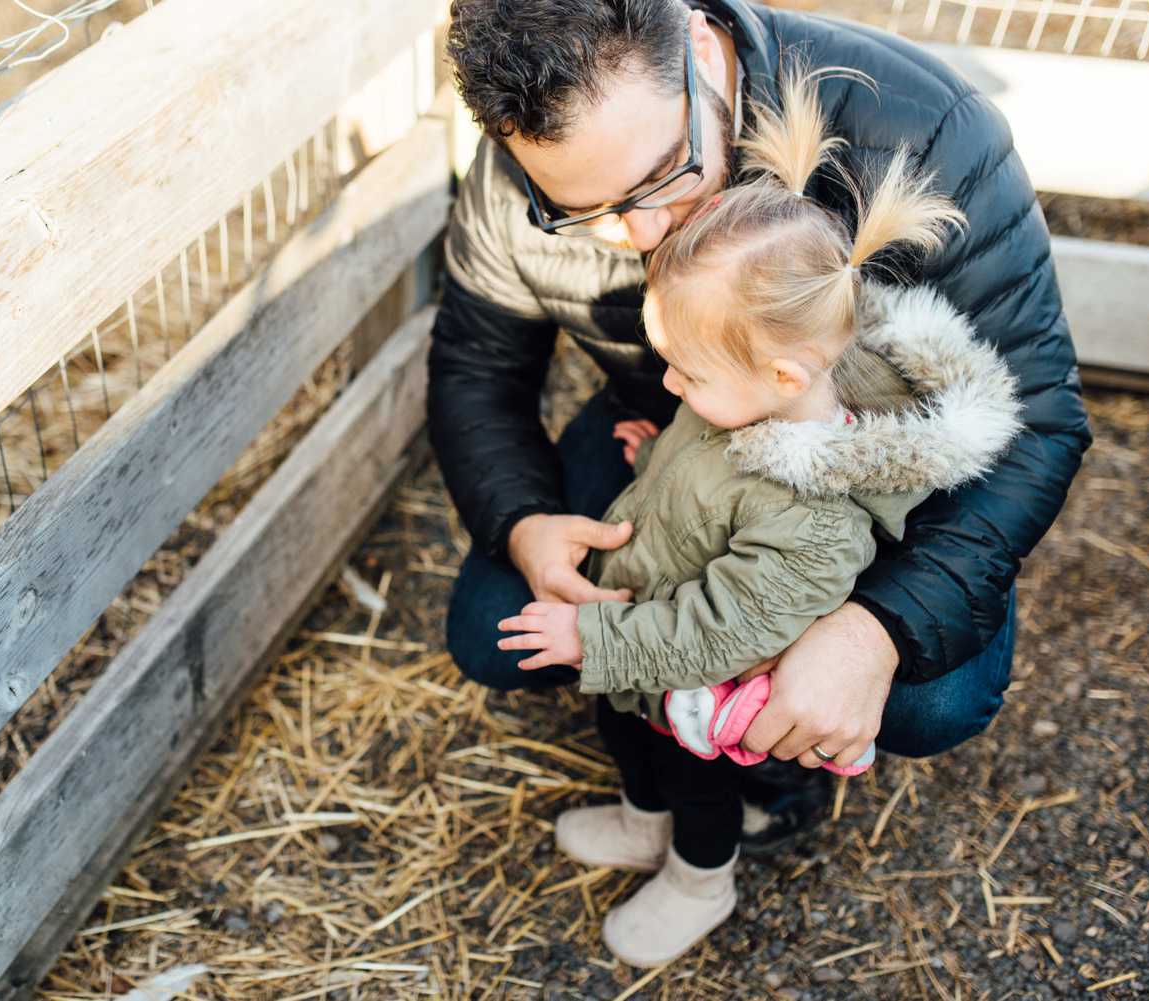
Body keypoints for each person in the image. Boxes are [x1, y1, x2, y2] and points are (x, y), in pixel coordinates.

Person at [429, 0, 1090, 850]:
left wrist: (877, 629)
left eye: (666, 174)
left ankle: (767, 764)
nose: (642, 233)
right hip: (665, 433)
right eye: (582, 208)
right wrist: (520, 522)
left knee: (931, 696)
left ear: (699, 46)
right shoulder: (521, 157)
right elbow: (476, 368)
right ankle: (681, 731)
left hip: (857, 472)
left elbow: (1040, 423)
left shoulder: (925, 132)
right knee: (496, 626)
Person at [493, 68, 1023, 965]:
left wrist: (599, 640)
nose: (671, 387)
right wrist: (653, 458)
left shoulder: (815, 518)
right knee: (622, 729)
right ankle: (641, 818)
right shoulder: (741, 400)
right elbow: (705, 451)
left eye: (685, 373)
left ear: (782, 378)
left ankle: (700, 873)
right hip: (638, 623)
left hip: (687, 666)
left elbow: (729, 629)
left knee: (686, 768)